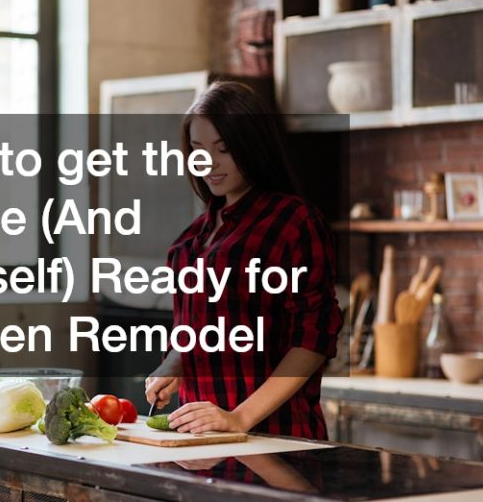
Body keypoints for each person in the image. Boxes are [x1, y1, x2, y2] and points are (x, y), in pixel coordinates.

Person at [144, 81, 343, 440]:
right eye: (198, 148)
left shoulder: (293, 221)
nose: (208, 162)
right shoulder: (192, 238)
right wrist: (178, 359)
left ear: (251, 145)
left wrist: (238, 418)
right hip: (201, 442)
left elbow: (313, 340)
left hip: (277, 437)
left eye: (223, 148)